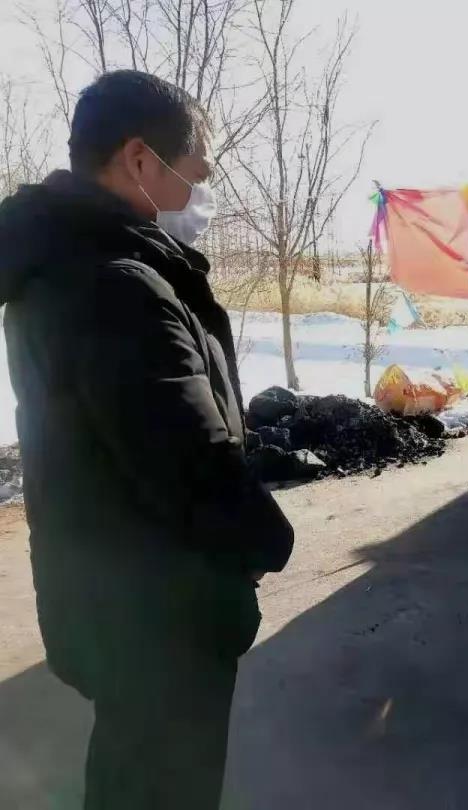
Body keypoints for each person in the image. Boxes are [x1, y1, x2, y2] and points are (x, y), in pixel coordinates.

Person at [0, 71, 294, 809]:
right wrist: (268, 539)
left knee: (130, 770)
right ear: (139, 160)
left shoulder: (58, 264)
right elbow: (191, 468)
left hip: (109, 592)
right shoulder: (119, 285)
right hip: (162, 616)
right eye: (197, 172)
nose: (203, 193)